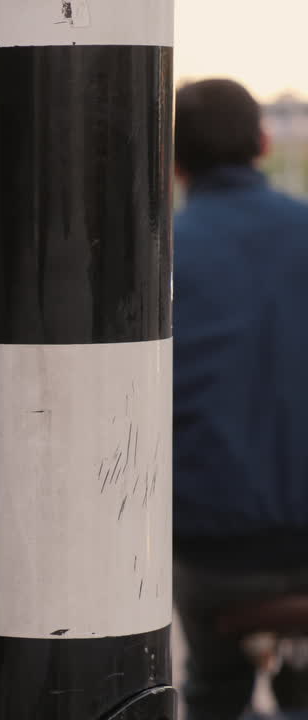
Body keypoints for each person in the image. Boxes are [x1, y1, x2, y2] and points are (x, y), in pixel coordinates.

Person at [173, 78, 308, 720]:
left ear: (174, 161)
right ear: (263, 142)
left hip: (213, 547)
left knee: (213, 688)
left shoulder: (157, 254)